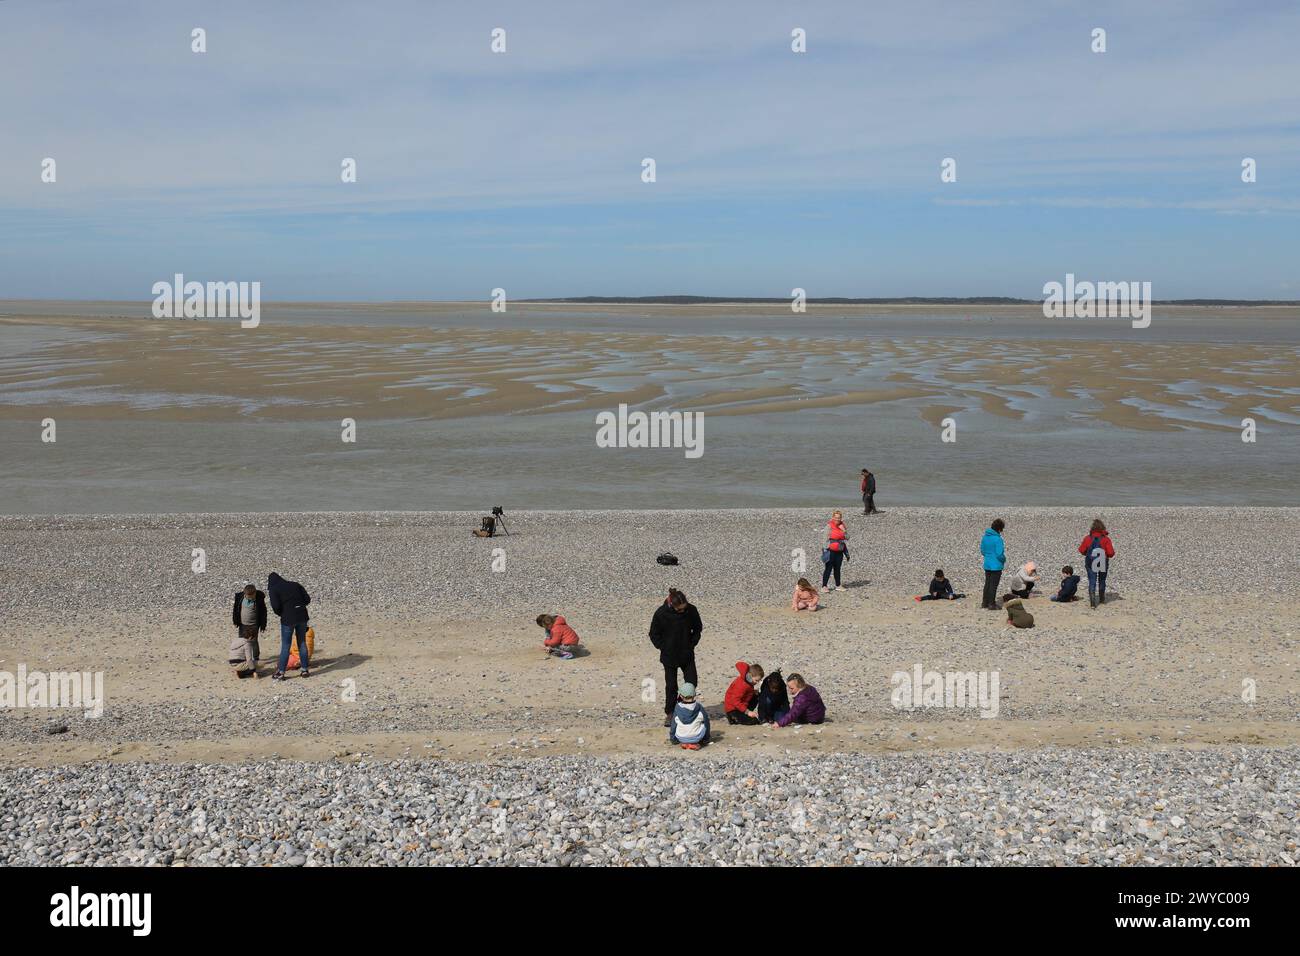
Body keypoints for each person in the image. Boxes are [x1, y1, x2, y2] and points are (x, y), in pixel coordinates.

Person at [649, 588, 703, 727]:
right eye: (680, 609)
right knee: (671, 686)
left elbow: (697, 628)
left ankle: (686, 707)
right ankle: (670, 713)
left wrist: (692, 643)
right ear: (672, 605)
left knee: (692, 683)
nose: (682, 611)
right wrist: (663, 647)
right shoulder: (661, 613)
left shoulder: (691, 610)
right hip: (669, 656)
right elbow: (653, 634)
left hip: (687, 654)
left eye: (684, 609)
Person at [267, 572, 312, 680]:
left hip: (288, 619)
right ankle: (304, 670)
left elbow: (276, 607)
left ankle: (281, 672)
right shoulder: (295, 584)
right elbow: (307, 599)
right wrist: (298, 606)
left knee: (286, 646)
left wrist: (284, 612)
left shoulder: (274, 589)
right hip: (302, 616)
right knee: (302, 643)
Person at [229, 583, 266, 678]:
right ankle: (244, 659)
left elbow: (263, 613)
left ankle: (256, 657)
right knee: (242, 642)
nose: (250, 598)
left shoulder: (259, 599)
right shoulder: (240, 597)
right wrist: (235, 621)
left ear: (255, 593)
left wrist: (263, 625)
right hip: (242, 624)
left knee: (254, 642)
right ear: (245, 594)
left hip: (254, 625)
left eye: (252, 596)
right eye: (248, 596)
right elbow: (235, 610)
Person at [1078, 519, 1116, 608]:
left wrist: (1087, 553)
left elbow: (1081, 550)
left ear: (1092, 528)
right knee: (1102, 580)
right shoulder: (1106, 539)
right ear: (1102, 528)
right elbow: (1111, 553)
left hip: (1091, 562)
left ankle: (1092, 603)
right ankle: (1102, 599)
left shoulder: (1087, 538)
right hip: (1103, 561)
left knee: (1092, 581)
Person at [668, 682, 710, 750]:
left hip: (681, 737)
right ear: (694, 695)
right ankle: (694, 743)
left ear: (681, 696)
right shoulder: (699, 707)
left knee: (677, 722)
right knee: (704, 723)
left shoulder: (677, 708)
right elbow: (707, 724)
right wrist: (706, 739)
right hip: (696, 737)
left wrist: (673, 739)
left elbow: (673, 725)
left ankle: (685, 743)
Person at [980, 518, 1007, 610]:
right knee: (993, 585)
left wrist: (989, 556)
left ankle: (985, 602)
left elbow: (982, 551)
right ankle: (991, 604)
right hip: (996, 565)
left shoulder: (985, 537)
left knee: (987, 583)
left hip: (987, 564)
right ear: (999, 529)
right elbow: (1000, 554)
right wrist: (1004, 559)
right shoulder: (998, 539)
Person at [821, 510, 850, 593]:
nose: (837, 519)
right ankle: (824, 586)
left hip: (840, 551)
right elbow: (825, 539)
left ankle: (838, 585)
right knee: (828, 568)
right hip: (831, 551)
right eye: (836, 517)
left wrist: (844, 531)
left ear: (841, 518)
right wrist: (826, 550)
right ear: (833, 517)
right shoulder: (829, 526)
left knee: (837, 568)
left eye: (839, 518)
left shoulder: (842, 526)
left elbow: (847, 537)